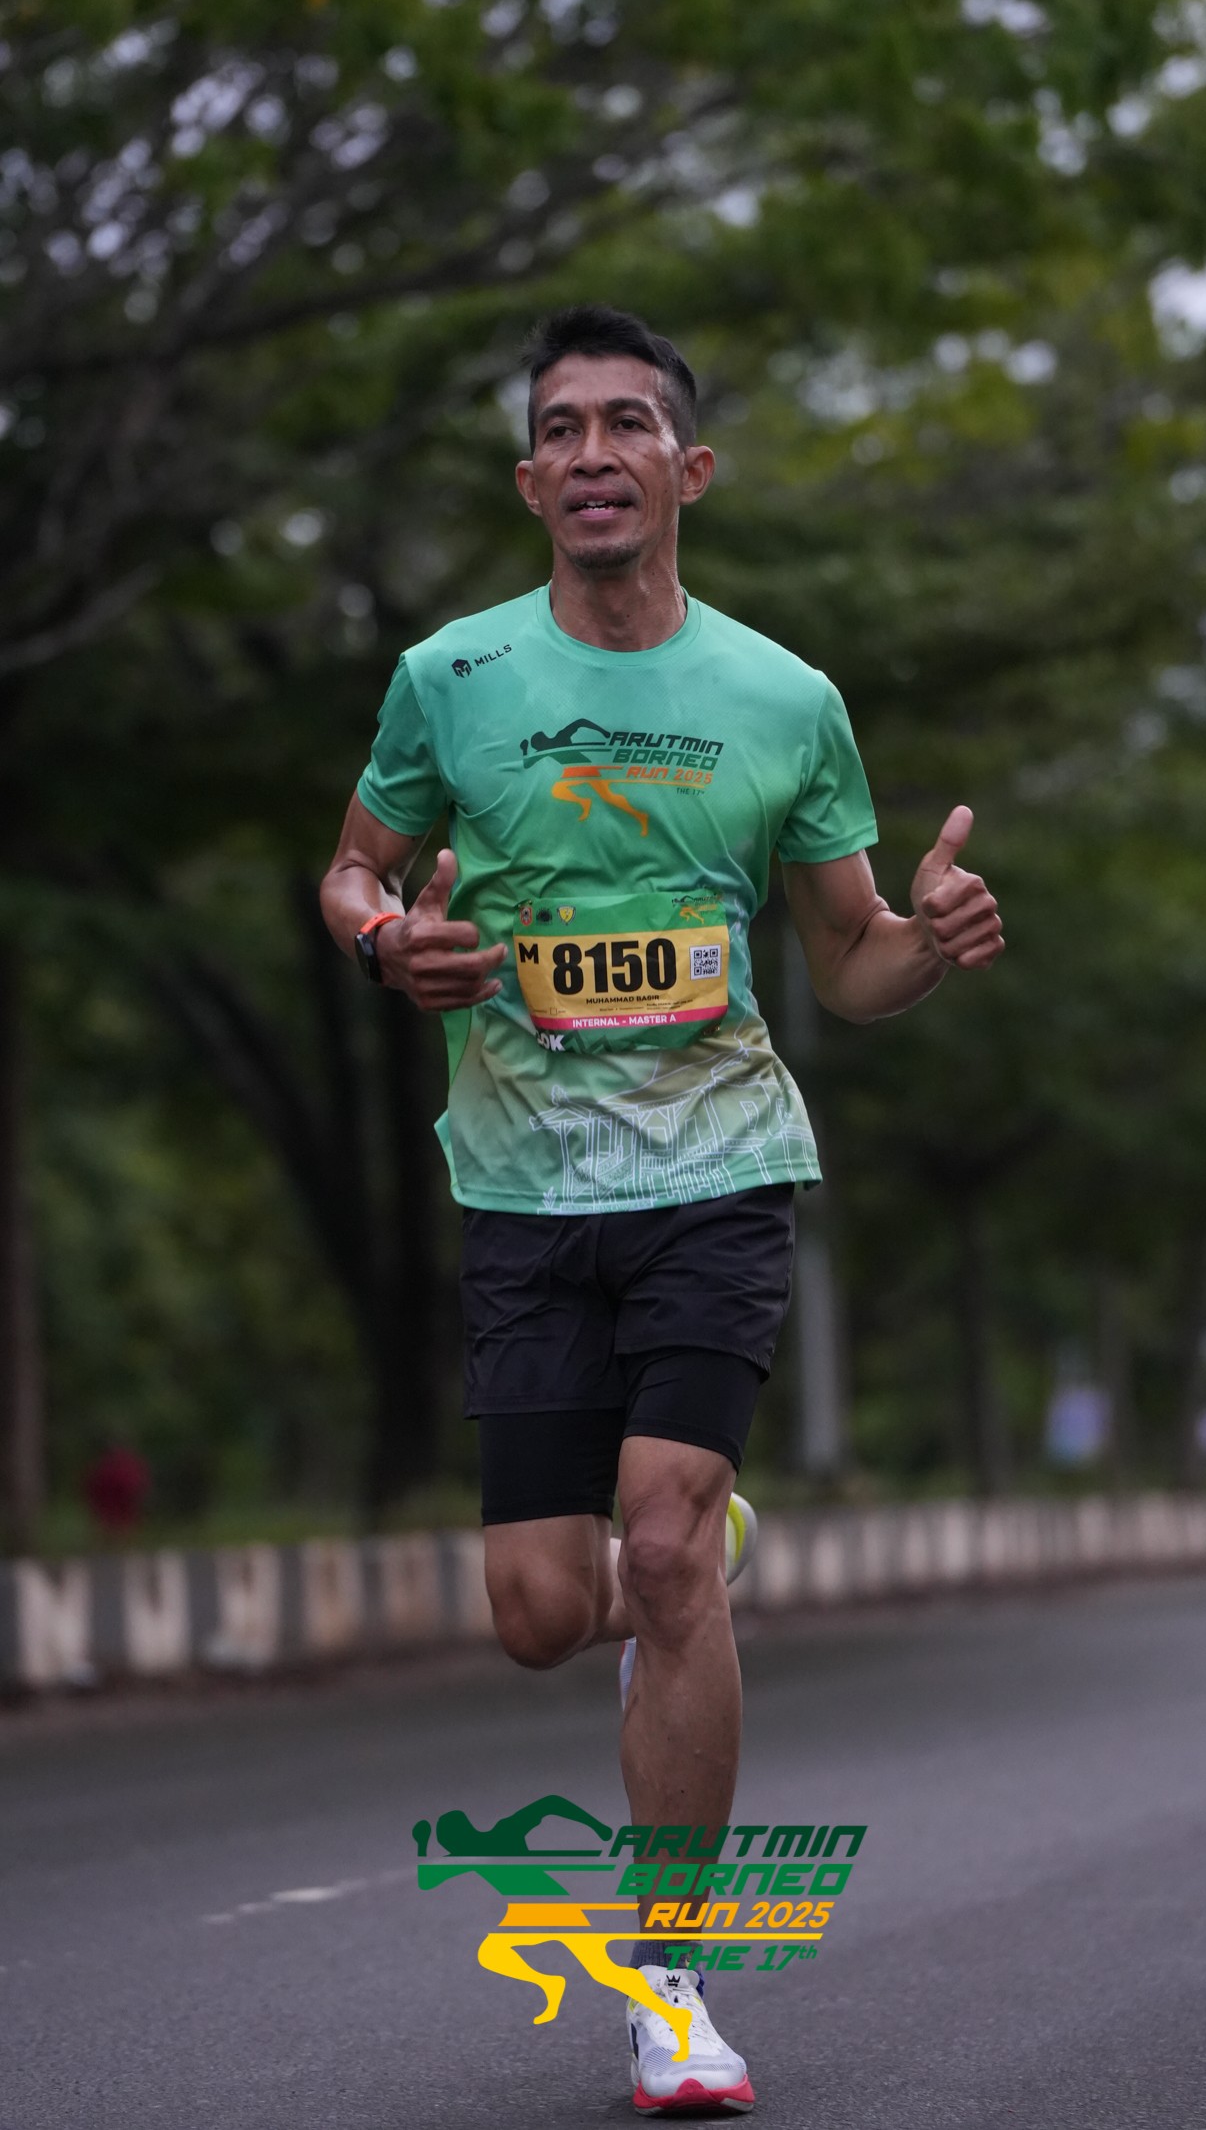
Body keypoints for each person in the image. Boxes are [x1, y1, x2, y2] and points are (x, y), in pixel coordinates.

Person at [320, 305, 1003, 2113]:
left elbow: (848, 961)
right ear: (530, 479)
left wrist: (929, 946)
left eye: (628, 424)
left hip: (719, 1169)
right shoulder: (451, 678)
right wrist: (387, 943)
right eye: (562, 429)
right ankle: (690, 1548)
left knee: (670, 1551)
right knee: (544, 1612)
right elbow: (354, 871)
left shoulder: (785, 700)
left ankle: (676, 1985)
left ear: (686, 470)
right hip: (524, 1188)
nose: (595, 453)